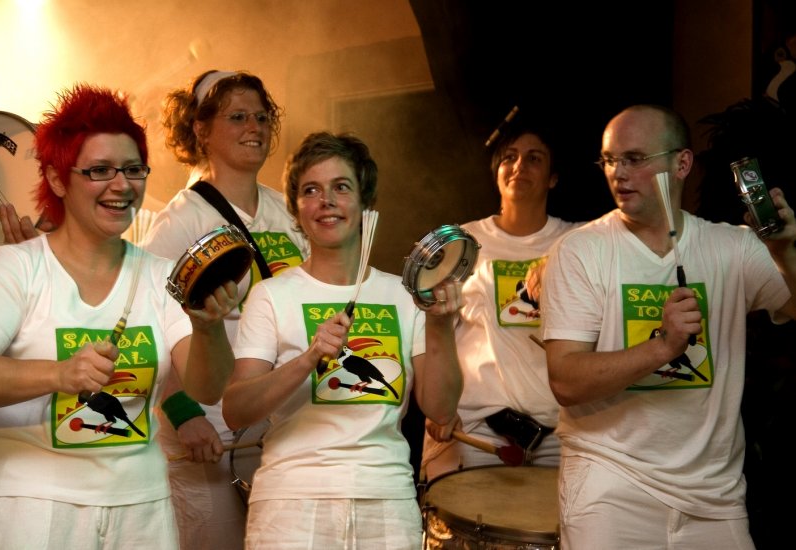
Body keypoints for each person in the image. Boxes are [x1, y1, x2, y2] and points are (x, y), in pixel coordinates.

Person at [0, 83, 240, 549]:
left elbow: (207, 387)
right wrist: (59, 373)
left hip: (140, 511)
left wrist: (208, 329)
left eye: (133, 169)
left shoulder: (161, 276)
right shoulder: (16, 267)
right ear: (58, 179)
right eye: (100, 170)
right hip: (31, 509)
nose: (121, 185)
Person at [540, 104, 796, 549]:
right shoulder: (580, 250)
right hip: (611, 482)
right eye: (609, 160)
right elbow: (565, 380)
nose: (618, 173)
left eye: (634, 159)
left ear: (682, 163)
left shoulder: (733, 247)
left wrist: (785, 253)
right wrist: (662, 347)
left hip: (713, 494)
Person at [222, 131, 464, 549]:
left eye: (341, 187)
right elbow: (236, 409)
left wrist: (440, 324)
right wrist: (308, 358)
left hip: (386, 499)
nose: (326, 201)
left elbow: (441, 409)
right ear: (296, 209)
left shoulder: (403, 295)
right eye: (311, 190)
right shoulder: (272, 295)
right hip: (291, 502)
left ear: (365, 201)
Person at [140, 70, 309, 550]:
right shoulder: (181, 220)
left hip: (278, 419)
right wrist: (182, 412)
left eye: (261, 116)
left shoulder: (288, 212)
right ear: (201, 129)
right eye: (237, 117)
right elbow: (149, 326)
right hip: (209, 428)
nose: (254, 127)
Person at [422, 117, 582, 480]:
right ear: (497, 172)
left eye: (534, 158)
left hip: (560, 431)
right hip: (476, 427)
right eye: (509, 157)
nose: (519, 166)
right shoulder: (462, 242)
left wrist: (554, 263)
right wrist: (438, 404)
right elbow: (430, 333)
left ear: (553, 178)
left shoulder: (579, 241)